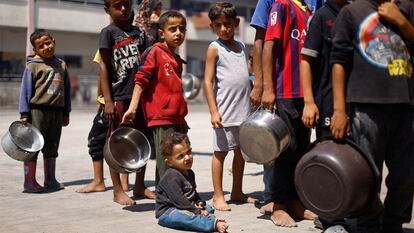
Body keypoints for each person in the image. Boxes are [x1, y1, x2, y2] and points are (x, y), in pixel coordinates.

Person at [330, 0, 414, 232]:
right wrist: (339, 110)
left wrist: (401, 21)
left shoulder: (408, 8)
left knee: (406, 175)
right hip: (366, 107)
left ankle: (393, 223)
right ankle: (368, 223)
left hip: (405, 106)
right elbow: (338, 61)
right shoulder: (351, 12)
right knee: (367, 174)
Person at [261, 0, 317, 227]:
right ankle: (279, 205)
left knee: (301, 148)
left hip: (305, 93)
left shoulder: (307, 10)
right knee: (285, 149)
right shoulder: (281, 6)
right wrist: (267, 88)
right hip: (286, 90)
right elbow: (268, 47)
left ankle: (295, 201)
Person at [122, 10, 189, 185]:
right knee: (166, 161)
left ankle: (177, 194)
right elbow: (141, 80)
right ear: (161, 33)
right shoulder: (155, 52)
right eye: (172, 29)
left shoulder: (175, 57)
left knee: (181, 158)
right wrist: (133, 108)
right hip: (161, 117)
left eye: (182, 29)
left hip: (177, 117)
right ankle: (165, 201)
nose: (178, 33)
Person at [300, 0, 350, 231]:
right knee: (330, 160)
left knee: (352, 160)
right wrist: (309, 102)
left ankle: (344, 211)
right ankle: (331, 219)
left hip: (356, 102)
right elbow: (306, 60)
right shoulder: (321, 16)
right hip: (328, 102)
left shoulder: (358, 14)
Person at [99, 0, 154, 205]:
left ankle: (139, 185)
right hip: (119, 96)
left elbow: (149, 62)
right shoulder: (108, 32)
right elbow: (104, 66)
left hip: (140, 96)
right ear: (108, 10)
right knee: (116, 142)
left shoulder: (140, 33)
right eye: (118, 6)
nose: (123, 9)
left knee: (142, 140)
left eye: (126, 5)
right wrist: (108, 100)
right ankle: (117, 190)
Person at [203, 1, 256, 211]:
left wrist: (253, 90)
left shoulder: (242, 46)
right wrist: (213, 111)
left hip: (243, 111)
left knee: (240, 153)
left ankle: (237, 191)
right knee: (220, 153)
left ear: (237, 22)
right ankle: (218, 195)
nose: (223, 29)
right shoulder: (214, 49)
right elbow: (207, 82)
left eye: (227, 24)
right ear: (212, 27)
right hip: (224, 113)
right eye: (218, 25)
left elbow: (244, 75)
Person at [19, 29, 71, 193]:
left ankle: (50, 179)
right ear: (35, 50)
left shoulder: (61, 64)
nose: (46, 47)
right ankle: (29, 181)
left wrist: (66, 112)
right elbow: (25, 91)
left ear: (53, 41)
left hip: (56, 112)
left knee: (52, 145)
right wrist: (24, 113)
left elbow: (67, 90)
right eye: (41, 46)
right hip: (37, 111)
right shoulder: (32, 66)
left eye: (48, 43)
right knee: (33, 146)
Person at [155, 132, 229, 233]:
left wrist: (199, 203)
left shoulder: (190, 173)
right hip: (169, 212)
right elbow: (179, 200)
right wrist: (196, 211)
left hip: (185, 206)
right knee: (185, 217)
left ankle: (202, 217)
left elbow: (193, 193)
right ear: (169, 162)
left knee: (208, 208)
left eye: (188, 152)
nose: (187, 157)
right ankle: (212, 224)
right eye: (180, 156)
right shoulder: (171, 176)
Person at [75, 51, 108, 193]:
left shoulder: (106, 41)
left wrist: (103, 99)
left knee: (95, 140)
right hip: (116, 101)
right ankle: (124, 183)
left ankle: (99, 181)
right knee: (120, 140)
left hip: (110, 102)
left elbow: (102, 74)